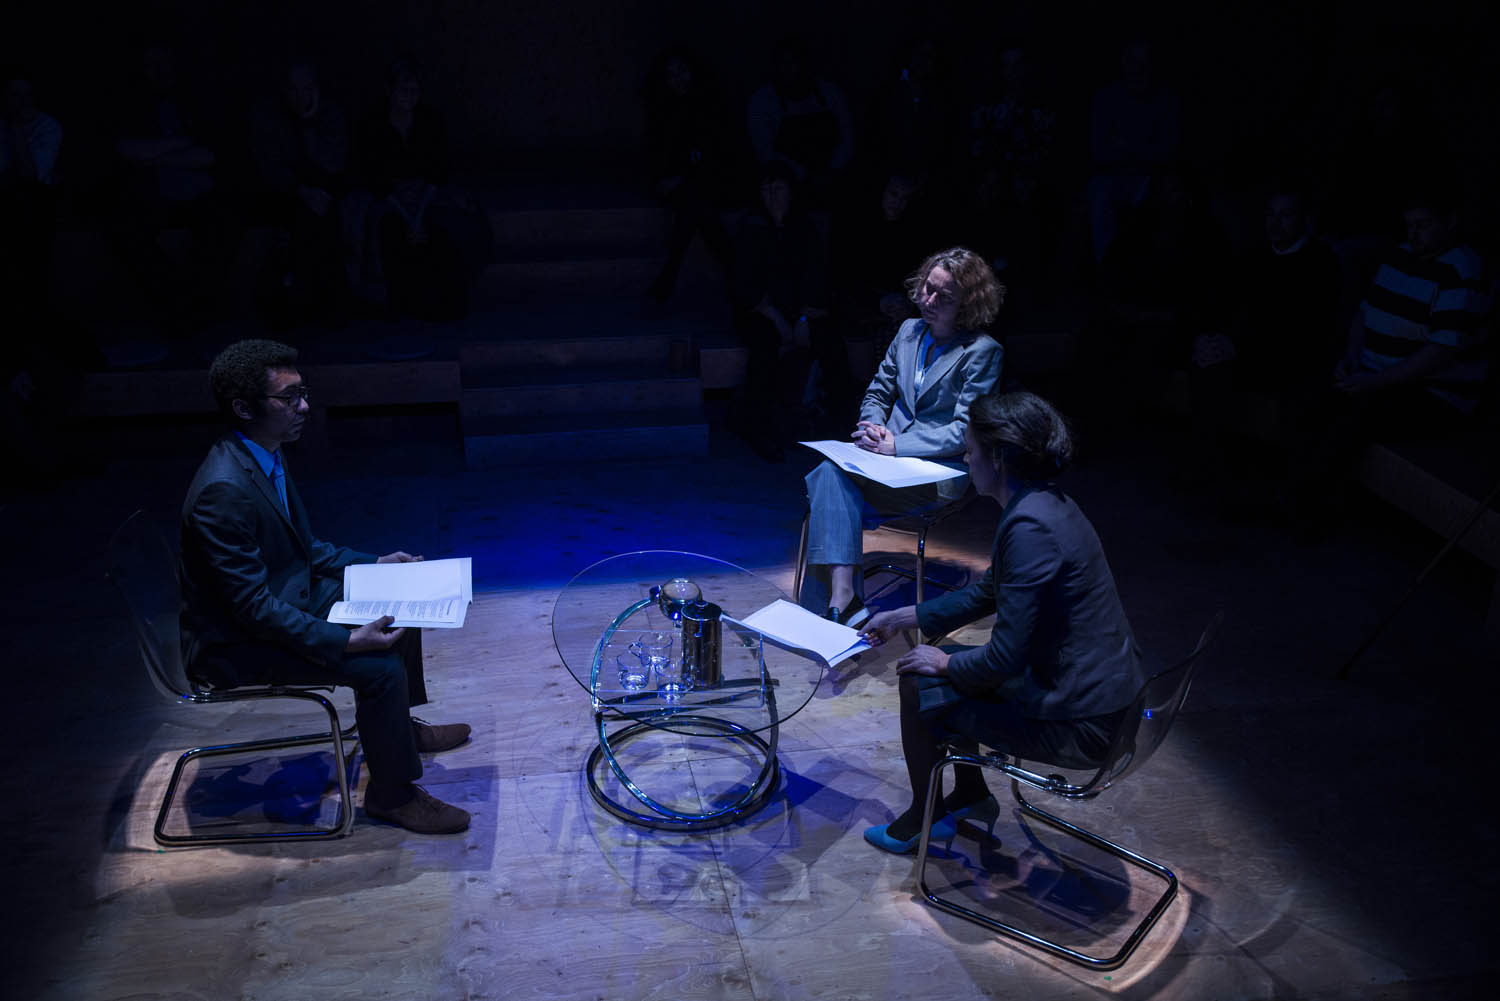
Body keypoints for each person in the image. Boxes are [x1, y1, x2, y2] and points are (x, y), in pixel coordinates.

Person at [179, 339, 472, 834]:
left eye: (303, 393)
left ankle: (398, 733)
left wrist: (376, 563)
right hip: (235, 644)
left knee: (401, 598)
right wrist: (345, 639)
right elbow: (251, 608)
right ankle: (392, 794)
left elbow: (304, 548)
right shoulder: (223, 490)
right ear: (244, 408)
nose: (305, 408)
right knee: (376, 665)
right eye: (289, 398)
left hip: (281, 602)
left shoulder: (263, 455)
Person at [859, 391, 1147, 853]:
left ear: (997, 458)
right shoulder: (1047, 504)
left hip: (1083, 723)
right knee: (937, 665)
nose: (966, 458)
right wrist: (902, 615)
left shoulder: (1030, 527)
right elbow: (990, 592)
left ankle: (925, 817)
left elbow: (1004, 657)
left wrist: (946, 665)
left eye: (970, 449)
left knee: (921, 680)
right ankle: (970, 794)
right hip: (1097, 697)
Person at [802, 246, 1004, 625]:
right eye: (927, 288)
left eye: (943, 297)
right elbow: (879, 391)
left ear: (967, 305)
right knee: (829, 475)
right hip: (883, 458)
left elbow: (965, 430)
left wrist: (898, 445)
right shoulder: (910, 331)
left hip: (938, 474)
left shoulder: (983, 352)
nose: (928, 301)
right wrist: (872, 426)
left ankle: (832, 608)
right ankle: (842, 599)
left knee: (827, 490)